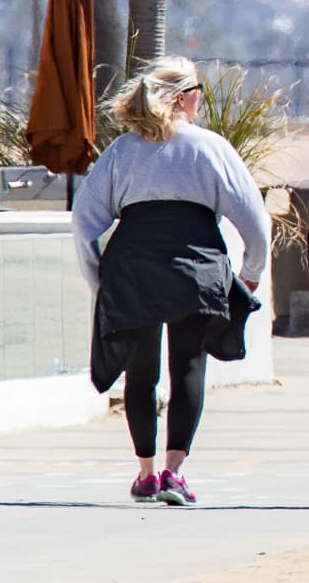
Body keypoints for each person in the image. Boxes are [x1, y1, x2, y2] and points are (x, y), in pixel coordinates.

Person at [71, 57, 273, 506]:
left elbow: (84, 220)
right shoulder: (210, 147)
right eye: (199, 89)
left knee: (140, 372)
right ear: (184, 97)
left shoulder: (122, 150)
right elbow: (255, 221)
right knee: (188, 367)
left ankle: (145, 472)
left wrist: (97, 280)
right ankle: (174, 473)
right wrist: (251, 275)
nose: (202, 98)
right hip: (195, 266)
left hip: (133, 266)